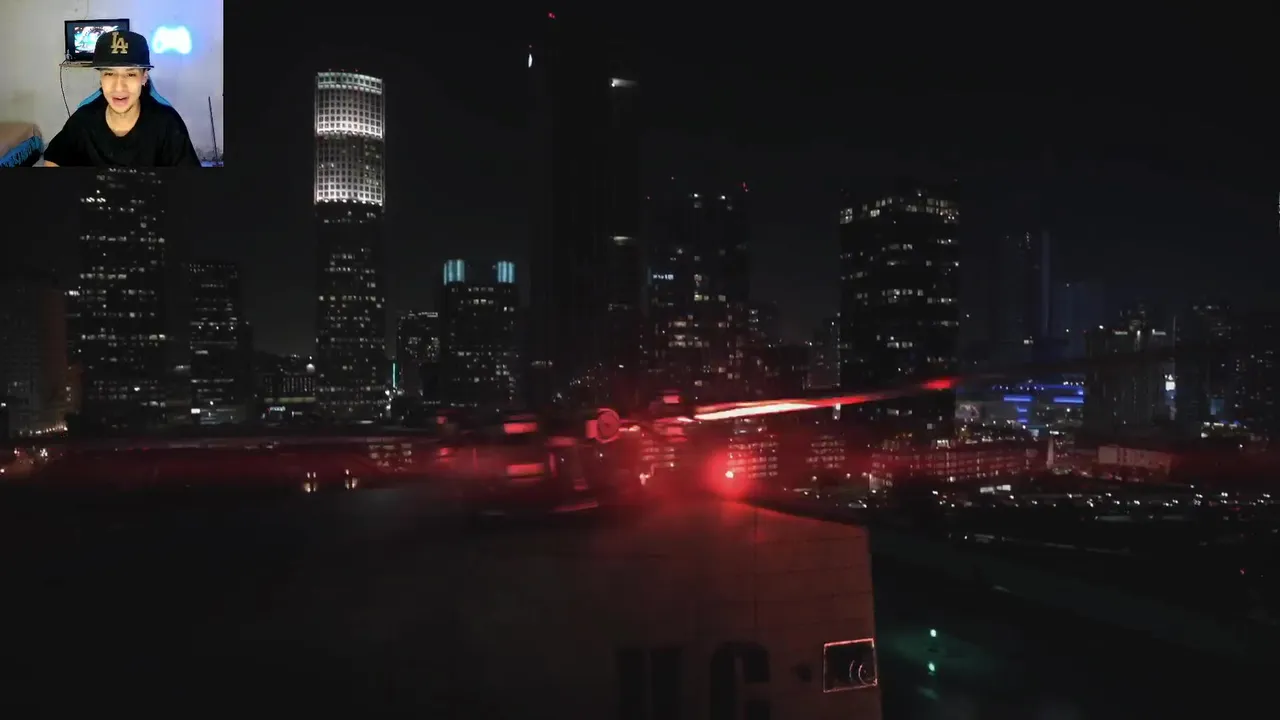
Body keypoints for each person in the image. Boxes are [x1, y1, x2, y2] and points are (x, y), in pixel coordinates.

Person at [42, 30, 201, 167]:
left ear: (144, 77)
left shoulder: (167, 124)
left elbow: (190, 183)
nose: (119, 87)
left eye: (130, 74)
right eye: (109, 73)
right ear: (101, 78)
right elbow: (53, 161)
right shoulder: (83, 121)